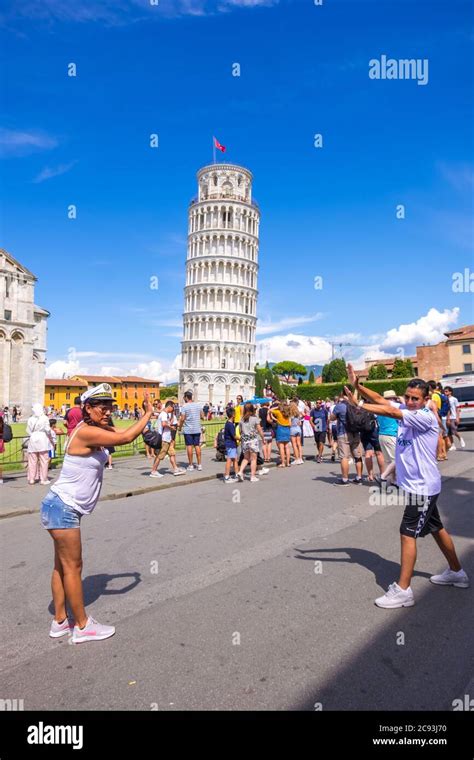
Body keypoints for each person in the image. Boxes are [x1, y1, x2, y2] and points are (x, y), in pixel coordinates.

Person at [345, 367, 469, 608]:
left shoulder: (422, 417)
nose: (410, 402)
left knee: (407, 532)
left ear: (425, 400)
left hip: (422, 488)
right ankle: (457, 572)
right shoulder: (406, 408)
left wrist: (359, 404)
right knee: (436, 527)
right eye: (408, 397)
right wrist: (359, 386)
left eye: (415, 398)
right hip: (418, 486)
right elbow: (382, 400)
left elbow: (388, 410)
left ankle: (403, 590)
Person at [40, 383, 154, 643]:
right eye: (101, 407)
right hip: (63, 507)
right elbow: (125, 438)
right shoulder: (86, 432)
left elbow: (124, 432)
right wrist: (148, 413)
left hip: (61, 506)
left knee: (61, 566)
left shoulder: (95, 429)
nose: (107, 411)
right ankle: (82, 626)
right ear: (87, 409)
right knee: (72, 567)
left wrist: (142, 422)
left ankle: (59, 621)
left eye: (110, 407)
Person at [330, 395, 363, 486]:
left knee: (344, 457)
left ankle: (345, 479)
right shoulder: (355, 405)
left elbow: (332, 418)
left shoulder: (339, 406)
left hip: (343, 432)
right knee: (357, 456)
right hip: (356, 433)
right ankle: (359, 477)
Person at [150, 400, 185, 477]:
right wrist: (171, 427)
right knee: (160, 455)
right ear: (169, 406)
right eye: (173, 408)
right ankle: (154, 471)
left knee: (172, 453)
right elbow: (164, 424)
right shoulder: (164, 414)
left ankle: (175, 469)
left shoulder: (165, 414)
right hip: (164, 438)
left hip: (167, 438)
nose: (173, 410)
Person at [236, 403, 265, 482]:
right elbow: (259, 430)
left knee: (246, 458)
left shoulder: (242, 419)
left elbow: (240, 431)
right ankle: (252, 476)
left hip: (245, 440)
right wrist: (263, 438)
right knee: (253, 459)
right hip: (252, 440)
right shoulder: (254, 418)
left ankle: (240, 471)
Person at [26, 404, 53, 486]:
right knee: (44, 461)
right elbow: (48, 430)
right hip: (42, 438)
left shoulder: (30, 419)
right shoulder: (45, 418)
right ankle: (43, 479)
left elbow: (28, 430)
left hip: (33, 438)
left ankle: (31, 479)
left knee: (32, 461)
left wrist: (33, 434)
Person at [376, 390, 399, 485]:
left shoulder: (381, 409)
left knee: (390, 461)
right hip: (391, 435)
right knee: (397, 460)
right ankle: (383, 476)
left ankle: (394, 480)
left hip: (382, 435)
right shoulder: (393, 408)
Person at [178, 391, 204, 471]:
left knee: (189, 446)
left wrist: (180, 427)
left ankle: (190, 465)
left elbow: (182, 418)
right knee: (197, 446)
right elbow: (202, 416)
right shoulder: (198, 405)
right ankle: (199, 465)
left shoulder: (184, 406)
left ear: (186, 397)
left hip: (188, 429)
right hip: (197, 428)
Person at [268, 402, 291, 467]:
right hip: (287, 430)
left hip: (280, 429)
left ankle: (283, 463)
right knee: (287, 447)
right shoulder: (288, 413)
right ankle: (288, 463)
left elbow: (270, 410)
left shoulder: (278, 412)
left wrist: (277, 407)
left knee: (281, 447)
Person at [444, 386, 466, 450]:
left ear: (450, 392)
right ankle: (453, 445)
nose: (445, 393)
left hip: (453, 417)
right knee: (449, 432)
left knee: (454, 431)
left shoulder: (454, 399)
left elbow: (457, 408)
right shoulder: (444, 399)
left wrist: (458, 417)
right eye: (444, 391)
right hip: (446, 417)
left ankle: (460, 438)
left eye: (446, 391)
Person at [223, 408, 238, 483]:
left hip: (232, 444)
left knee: (235, 459)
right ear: (233, 415)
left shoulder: (229, 423)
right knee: (229, 460)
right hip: (231, 444)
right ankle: (227, 476)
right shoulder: (230, 425)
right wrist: (241, 438)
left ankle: (236, 474)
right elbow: (234, 436)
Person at [311, 399, 328, 463]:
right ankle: (320, 453)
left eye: (319, 403)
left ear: (321, 404)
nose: (318, 404)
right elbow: (310, 419)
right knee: (318, 443)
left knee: (321, 442)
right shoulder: (313, 411)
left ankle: (319, 456)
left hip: (323, 429)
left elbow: (327, 419)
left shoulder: (324, 411)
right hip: (316, 429)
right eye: (317, 403)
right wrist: (313, 426)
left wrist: (327, 426)